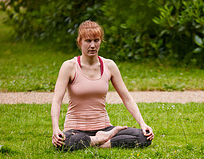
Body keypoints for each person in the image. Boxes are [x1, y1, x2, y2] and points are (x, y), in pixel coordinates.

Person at [51, 20, 154, 151]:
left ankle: (101, 141)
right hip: (76, 129)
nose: (93, 45)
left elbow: (126, 98)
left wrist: (143, 123)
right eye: (88, 41)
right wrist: (56, 128)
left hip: (104, 127)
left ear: (101, 41)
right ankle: (99, 140)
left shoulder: (109, 65)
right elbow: (57, 100)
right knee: (64, 142)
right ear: (79, 42)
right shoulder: (69, 66)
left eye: (96, 40)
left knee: (144, 137)